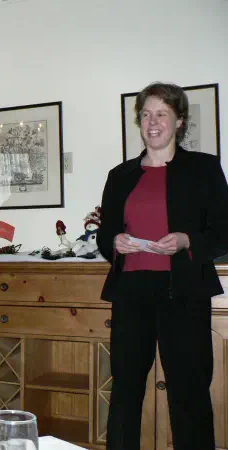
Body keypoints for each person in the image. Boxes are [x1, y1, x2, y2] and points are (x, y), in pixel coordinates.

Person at [97, 82, 228, 450]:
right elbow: (106, 234)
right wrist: (115, 242)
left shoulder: (203, 168)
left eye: (161, 114)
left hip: (184, 292)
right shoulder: (120, 175)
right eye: (146, 115)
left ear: (179, 121)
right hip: (131, 291)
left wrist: (187, 240)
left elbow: (223, 231)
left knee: (189, 390)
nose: (152, 122)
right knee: (125, 389)